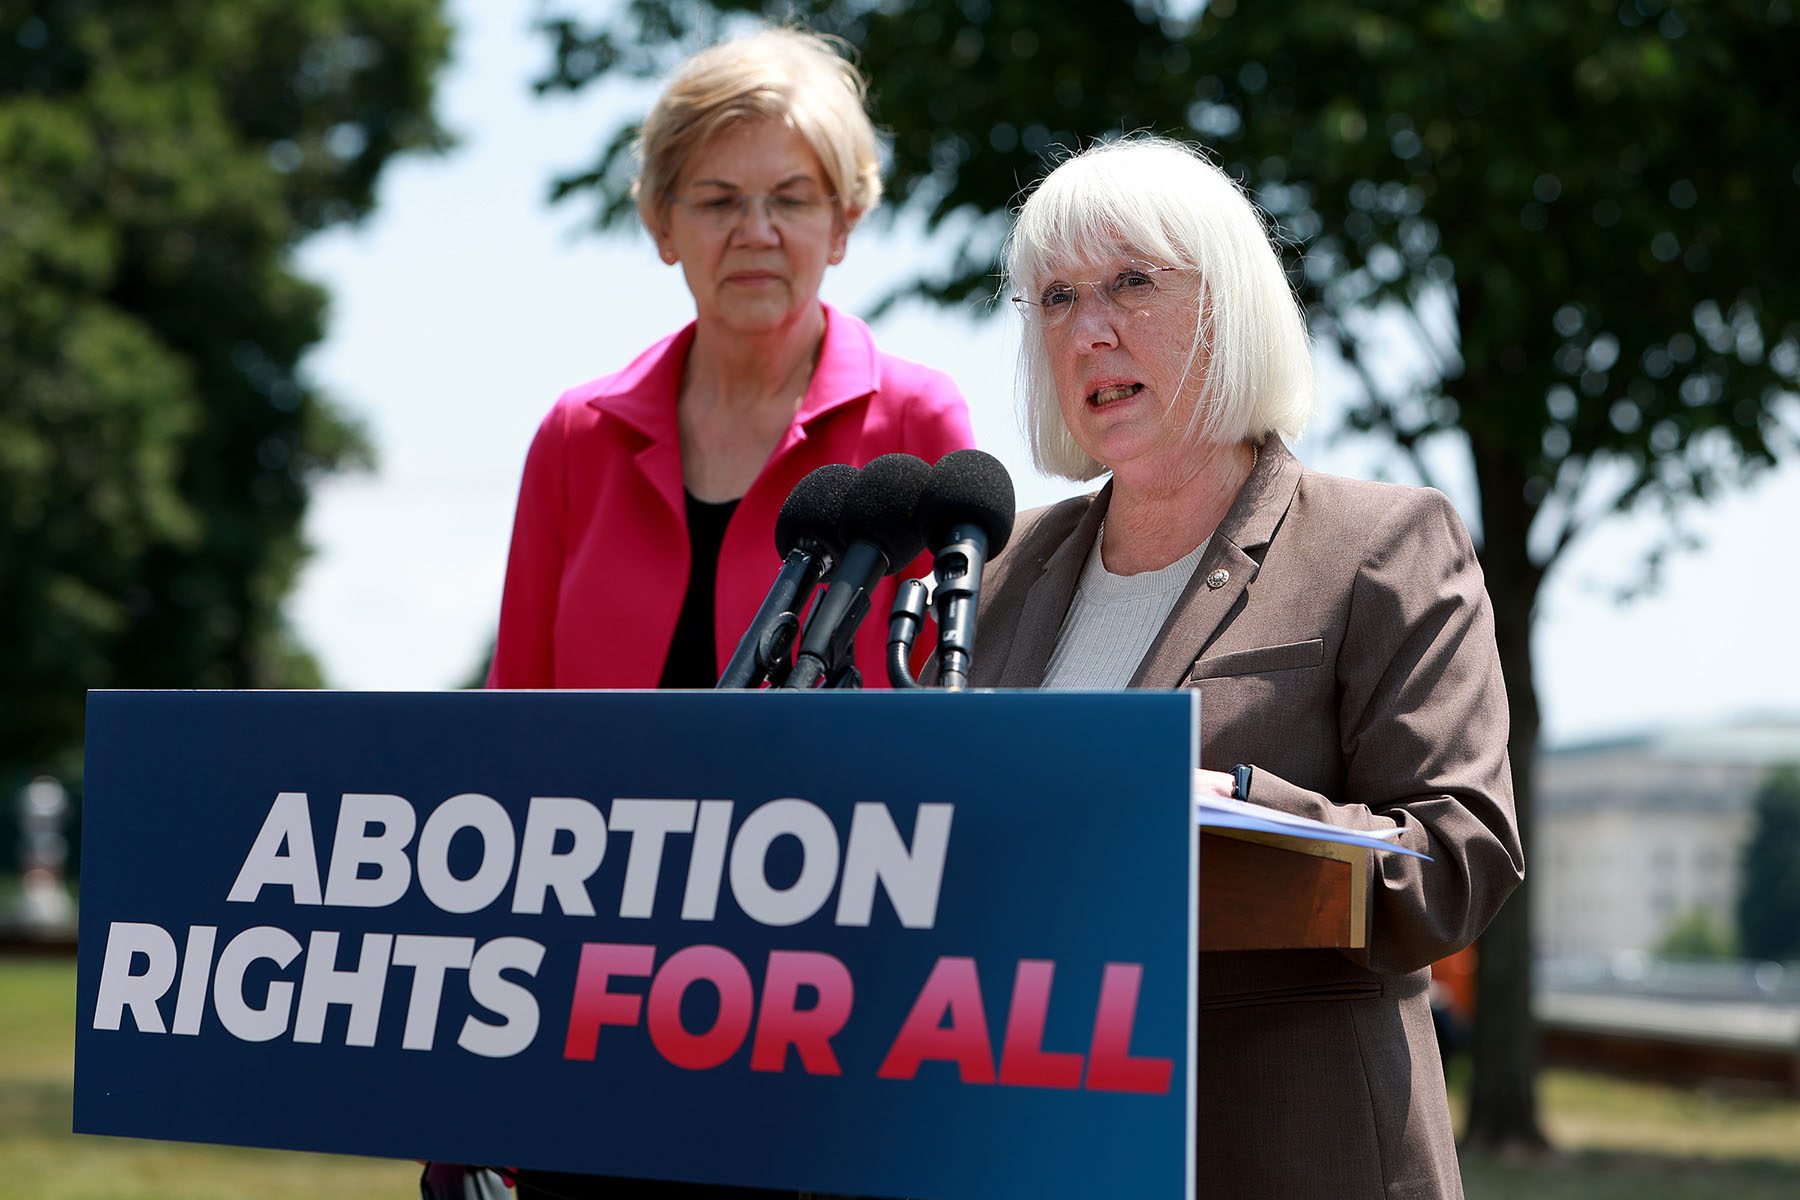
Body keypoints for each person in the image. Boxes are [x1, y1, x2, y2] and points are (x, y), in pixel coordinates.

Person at [969, 137, 1524, 1197]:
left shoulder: (1381, 544)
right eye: (1055, 298)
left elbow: (1459, 858)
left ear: (1228, 307)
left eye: (1132, 282)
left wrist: (1226, 803)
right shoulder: (1001, 570)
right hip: (1038, 1140)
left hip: (1285, 1148)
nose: (1090, 330)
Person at [486, 28, 974, 694]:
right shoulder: (573, 438)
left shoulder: (918, 418)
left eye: (792, 199)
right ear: (662, 224)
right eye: (719, 201)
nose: (756, 232)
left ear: (844, 223)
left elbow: (950, 721)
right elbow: (513, 712)